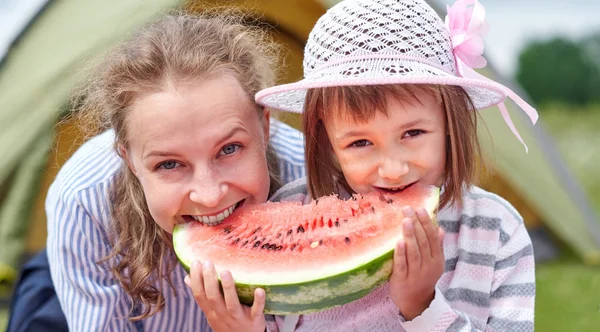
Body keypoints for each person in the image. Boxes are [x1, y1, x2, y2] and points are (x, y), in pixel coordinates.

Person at [254, 0, 537, 330]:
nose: (392, 169)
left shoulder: (498, 231)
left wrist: (424, 308)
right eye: (360, 143)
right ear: (325, 136)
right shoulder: (290, 214)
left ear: (450, 120)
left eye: (413, 133)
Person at [45, 11, 305, 331]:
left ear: (265, 127)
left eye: (229, 149)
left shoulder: (311, 176)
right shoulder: (84, 199)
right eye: (169, 164)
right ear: (129, 159)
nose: (210, 197)